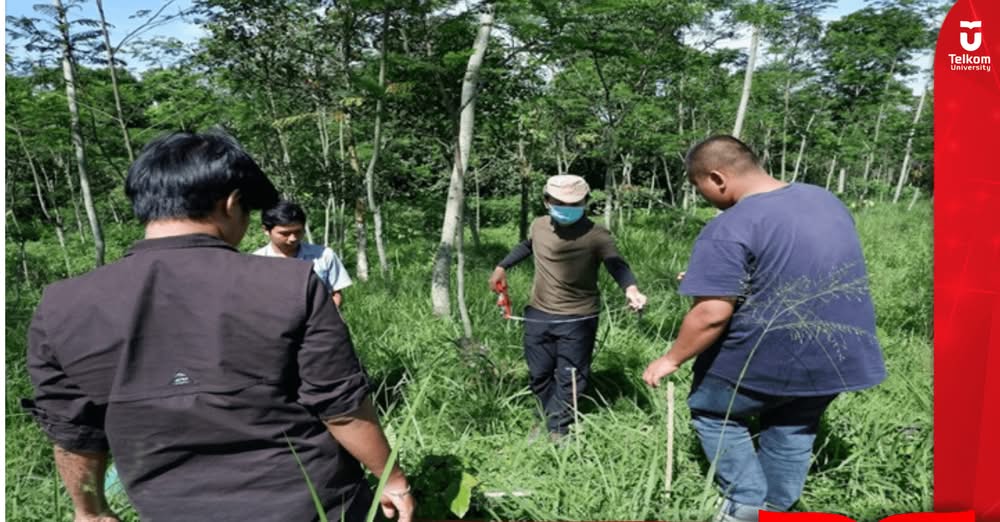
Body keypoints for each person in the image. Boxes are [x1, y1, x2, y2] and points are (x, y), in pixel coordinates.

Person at [21, 131, 415, 522]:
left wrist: (89, 510)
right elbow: (341, 407)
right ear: (230, 203)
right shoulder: (289, 284)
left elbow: (74, 433)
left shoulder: (61, 306)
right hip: (311, 505)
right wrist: (391, 478)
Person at [642, 135, 886, 521]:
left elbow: (712, 314)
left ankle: (744, 505)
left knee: (713, 413)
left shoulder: (730, 225)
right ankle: (775, 510)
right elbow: (798, 260)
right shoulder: (824, 199)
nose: (702, 194)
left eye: (698, 185)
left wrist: (670, 359)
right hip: (838, 356)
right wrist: (712, 276)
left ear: (717, 178)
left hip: (766, 357)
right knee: (794, 426)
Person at [489, 174, 648, 441]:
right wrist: (502, 266)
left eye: (574, 202)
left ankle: (558, 428)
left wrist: (631, 289)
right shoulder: (539, 225)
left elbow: (616, 263)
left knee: (571, 376)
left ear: (585, 201)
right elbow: (528, 245)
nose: (567, 207)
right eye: (560, 201)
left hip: (578, 317)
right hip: (538, 313)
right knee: (539, 372)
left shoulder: (597, 235)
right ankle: (546, 415)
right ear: (547, 201)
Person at [254, 200, 352, 308]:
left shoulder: (324, 255)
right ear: (266, 230)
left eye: (298, 232)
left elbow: (336, 294)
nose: (292, 238)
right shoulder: (256, 262)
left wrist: (323, 321)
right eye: (285, 233)